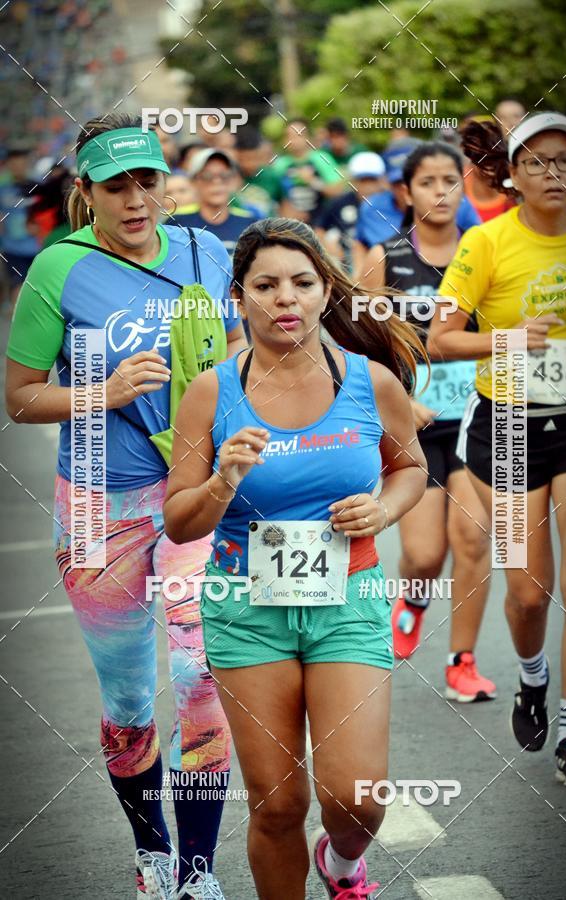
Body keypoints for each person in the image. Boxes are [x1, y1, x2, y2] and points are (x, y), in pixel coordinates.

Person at [5, 113, 247, 897]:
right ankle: (152, 852)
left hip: (193, 490)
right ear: (88, 192)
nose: (138, 199)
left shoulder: (205, 252)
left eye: (148, 180)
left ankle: (198, 870)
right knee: (130, 698)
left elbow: (243, 361)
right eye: (118, 186)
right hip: (97, 504)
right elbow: (19, 398)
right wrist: (100, 393)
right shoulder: (58, 271)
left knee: (201, 672)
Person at [163, 217, 428, 898]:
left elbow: (410, 469)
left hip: (348, 598)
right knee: (278, 806)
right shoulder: (211, 393)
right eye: (267, 285)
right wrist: (223, 479)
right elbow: (178, 516)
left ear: (323, 292)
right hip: (245, 607)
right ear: (240, 296)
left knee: (356, 799)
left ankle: (341, 861)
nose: (287, 298)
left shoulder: (372, 382)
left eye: (303, 283)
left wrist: (385, 508)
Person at [428, 112, 566, 785]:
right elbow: (442, 339)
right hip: (507, 424)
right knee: (530, 593)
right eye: (538, 163)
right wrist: (509, 339)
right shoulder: (487, 244)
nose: (553, 174)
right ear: (515, 176)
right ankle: (533, 679)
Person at [361, 143, 495, 702]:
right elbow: (361, 346)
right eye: (427, 182)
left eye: (451, 180)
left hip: (479, 415)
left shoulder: (485, 252)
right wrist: (399, 402)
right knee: (421, 554)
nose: (441, 191)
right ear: (406, 192)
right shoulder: (382, 258)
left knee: (475, 536)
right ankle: (413, 599)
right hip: (413, 423)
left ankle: (463, 662)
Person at [355, 158, 481, 254]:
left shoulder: (456, 202)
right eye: (398, 182)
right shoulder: (372, 207)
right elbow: (359, 243)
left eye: (416, 181)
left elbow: (479, 242)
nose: (405, 189)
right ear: (388, 184)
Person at [174, 148, 262, 260]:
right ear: (193, 182)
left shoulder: (250, 223)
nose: (217, 182)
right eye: (207, 176)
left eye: (225, 176)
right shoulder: (178, 222)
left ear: (234, 181)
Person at [313, 151, 386, 274]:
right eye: (363, 181)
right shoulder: (340, 203)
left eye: (372, 180)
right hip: (347, 266)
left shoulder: (391, 204)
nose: (368, 186)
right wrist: (330, 247)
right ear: (353, 181)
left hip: (383, 263)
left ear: (382, 181)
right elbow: (319, 230)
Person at [272, 118, 344, 225]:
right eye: (289, 136)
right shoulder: (280, 164)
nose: (294, 140)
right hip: (290, 224)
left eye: (298, 135)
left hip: (321, 223)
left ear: (308, 137)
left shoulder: (321, 159)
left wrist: (313, 181)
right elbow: (273, 196)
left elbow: (338, 191)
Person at [0, 146, 39, 302]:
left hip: (37, 247)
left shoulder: (39, 187)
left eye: (21, 162)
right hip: (12, 249)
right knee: (18, 285)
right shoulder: (3, 190)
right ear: (8, 164)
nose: (17, 166)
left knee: (36, 287)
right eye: (13, 163)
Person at [233, 126, 283, 217]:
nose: (249, 164)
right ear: (236, 155)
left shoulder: (272, 176)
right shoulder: (227, 178)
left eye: (253, 158)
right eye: (243, 159)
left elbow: (286, 206)